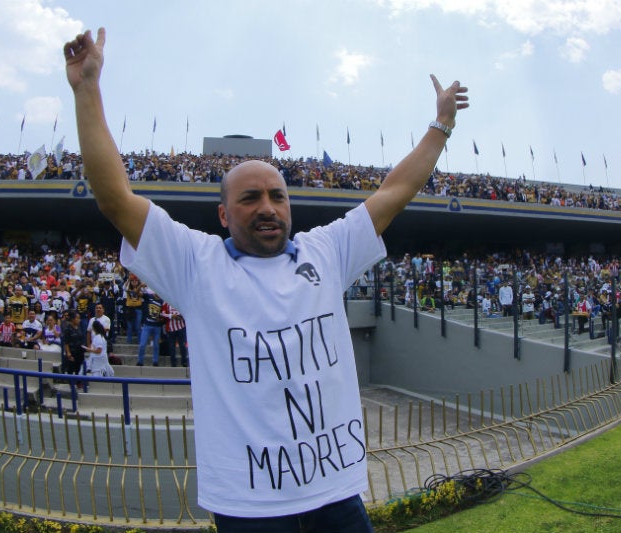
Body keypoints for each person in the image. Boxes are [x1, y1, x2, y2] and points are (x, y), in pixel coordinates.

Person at [65, 27, 467, 531]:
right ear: (223, 214)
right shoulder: (196, 264)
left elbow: (395, 192)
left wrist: (441, 124)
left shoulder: (327, 251)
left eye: (277, 195)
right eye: (250, 198)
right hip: (248, 505)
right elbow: (115, 199)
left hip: (336, 493)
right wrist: (88, 91)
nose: (268, 207)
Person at [161, 301, 188, 367]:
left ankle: (184, 361)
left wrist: (181, 316)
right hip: (171, 328)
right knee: (172, 346)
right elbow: (162, 314)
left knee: (182, 345)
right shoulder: (166, 302)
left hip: (181, 327)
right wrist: (171, 316)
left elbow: (186, 311)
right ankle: (173, 362)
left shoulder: (180, 300)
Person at [61, 310, 86, 375]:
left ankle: (78, 382)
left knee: (78, 369)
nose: (79, 320)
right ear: (72, 319)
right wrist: (68, 352)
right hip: (72, 351)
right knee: (70, 369)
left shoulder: (79, 327)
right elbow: (66, 342)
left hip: (79, 351)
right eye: (77, 318)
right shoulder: (68, 329)